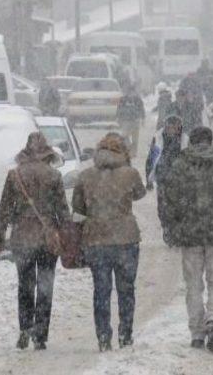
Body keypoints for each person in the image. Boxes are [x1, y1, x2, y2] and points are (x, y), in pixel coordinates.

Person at [162, 127, 213, 352]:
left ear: (191, 142)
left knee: (193, 285)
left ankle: (197, 332)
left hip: (189, 234)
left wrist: (170, 227)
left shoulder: (180, 164)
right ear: (210, 140)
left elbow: (169, 199)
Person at [0, 132, 70, 351]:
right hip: (47, 237)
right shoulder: (54, 176)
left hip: (23, 237)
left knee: (25, 286)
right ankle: (41, 334)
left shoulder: (15, 175)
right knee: (45, 286)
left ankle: (25, 329)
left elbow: (5, 209)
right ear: (46, 150)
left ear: (26, 150)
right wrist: (66, 235)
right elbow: (62, 211)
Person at [72, 134, 147, 352]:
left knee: (101, 290)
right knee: (126, 290)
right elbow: (139, 194)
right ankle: (126, 334)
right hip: (126, 239)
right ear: (122, 153)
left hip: (96, 239)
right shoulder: (130, 173)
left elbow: (77, 207)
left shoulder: (85, 176)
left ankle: (103, 336)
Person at [144, 115, 189, 243]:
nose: (172, 130)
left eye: (176, 127)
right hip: (163, 178)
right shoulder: (157, 139)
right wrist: (148, 179)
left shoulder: (185, 140)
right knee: (163, 207)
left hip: (181, 179)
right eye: (170, 127)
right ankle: (167, 228)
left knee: (180, 206)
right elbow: (150, 159)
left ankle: (178, 230)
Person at [116, 86, 146, 157]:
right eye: (130, 92)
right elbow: (119, 108)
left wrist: (143, 118)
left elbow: (141, 108)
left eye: (132, 92)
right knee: (124, 135)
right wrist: (118, 117)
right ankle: (129, 148)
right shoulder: (123, 99)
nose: (131, 93)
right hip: (126, 121)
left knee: (135, 138)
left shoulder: (137, 99)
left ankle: (133, 153)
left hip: (135, 120)